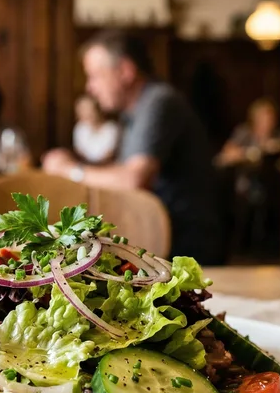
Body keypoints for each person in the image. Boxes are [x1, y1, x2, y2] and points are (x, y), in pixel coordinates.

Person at [43, 30, 224, 264]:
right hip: (162, 237)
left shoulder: (158, 101)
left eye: (95, 76)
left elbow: (133, 179)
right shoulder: (135, 111)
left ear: (126, 71)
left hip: (186, 247)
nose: (90, 88)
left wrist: (70, 170)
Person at [216, 98, 280, 166]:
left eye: (269, 119)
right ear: (254, 119)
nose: (266, 123)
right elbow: (226, 154)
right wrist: (250, 153)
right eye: (262, 119)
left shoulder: (277, 136)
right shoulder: (244, 133)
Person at [72, 94, 120, 163]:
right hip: (86, 167)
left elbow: (109, 155)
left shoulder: (112, 128)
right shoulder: (80, 128)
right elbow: (79, 152)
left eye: (90, 110)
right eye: (82, 110)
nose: (87, 113)